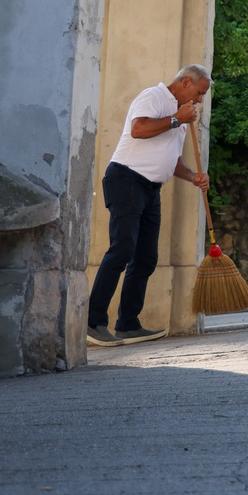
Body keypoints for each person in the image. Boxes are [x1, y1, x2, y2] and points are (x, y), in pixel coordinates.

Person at [86, 64, 211, 346]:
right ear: (186, 82)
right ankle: (92, 322)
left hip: (151, 188)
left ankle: (128, 324)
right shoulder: (153, 97)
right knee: (122, 248)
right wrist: (177, 120)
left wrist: (193, 176)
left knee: (145, 258)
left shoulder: (180, 115)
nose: (201, 100)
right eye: (200, 93)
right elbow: (139, 129)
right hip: (127, 179)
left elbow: (172, 157)